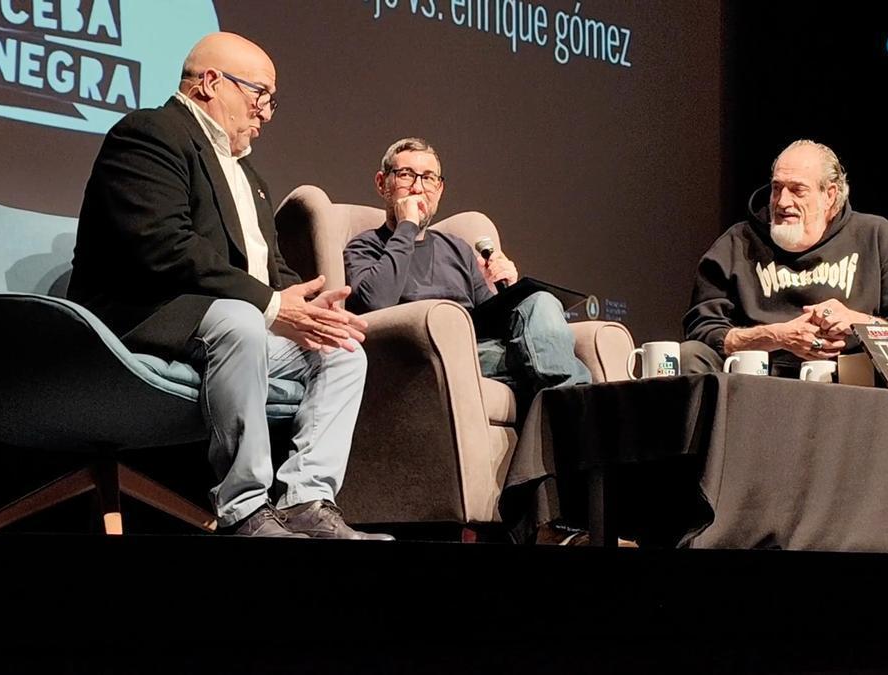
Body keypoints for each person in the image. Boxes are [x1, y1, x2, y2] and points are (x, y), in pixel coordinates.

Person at [68, 32, 392, 540]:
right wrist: (271, 305)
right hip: (145, 312)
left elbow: (268, 268)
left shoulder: (250, 176)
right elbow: (163, 245)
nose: (266, 111)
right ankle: (244, 509)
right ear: (210, 83)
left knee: (342, 350)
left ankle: (307, 500)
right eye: (260, 93)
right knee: (241, 320)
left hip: (224, 318)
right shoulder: (150, 134)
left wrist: (309, 305)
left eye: (271, 100)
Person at [344, 137, 593, 544]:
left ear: (440, 189)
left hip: (484, 354)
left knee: (540, 302)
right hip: (428, 361)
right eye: (406, 175)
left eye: (428, 178)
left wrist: (507, 287)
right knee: (564, 367)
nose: (418, 187)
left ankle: (557, 503)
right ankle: (582, 432)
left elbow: (491, 319)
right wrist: (406, 228)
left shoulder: (456, 249)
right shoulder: (366, 246)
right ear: (382, 183)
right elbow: (374, 302)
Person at [682, 139, 888, 396]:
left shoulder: (875, 235)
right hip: (761, 379)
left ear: (829, 195)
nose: (782, 202)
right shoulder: (737, 243)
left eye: (797, 190)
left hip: (860, 381)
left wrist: (857, 323)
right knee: (690, 355)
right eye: (777, 188)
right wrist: (776, 336)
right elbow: (702, 329)